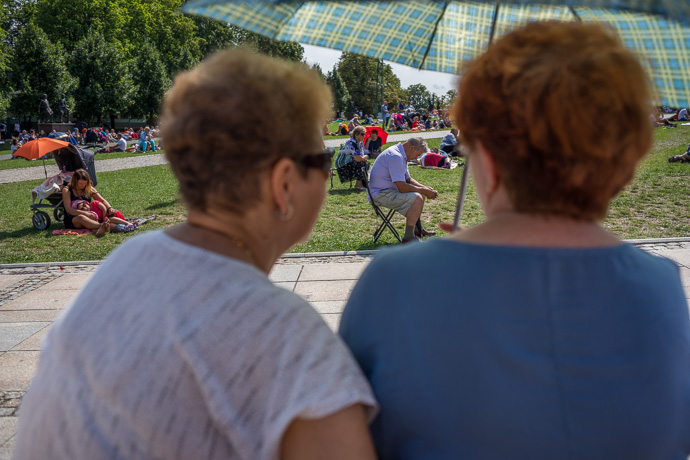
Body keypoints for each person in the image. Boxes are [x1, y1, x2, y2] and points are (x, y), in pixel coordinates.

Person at [340, 21, 690, 459]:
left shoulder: (393, 280)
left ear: (487, 154)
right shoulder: (660, 287)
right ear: (623, 163)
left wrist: (455, 264)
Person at [13, 48, 377, 460]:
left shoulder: (128, 261)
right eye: (323, 160)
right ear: (283, 181)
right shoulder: (285, 335)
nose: (329, 175)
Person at [367, 137, 438, 243]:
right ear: (412, 148)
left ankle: (417, 230)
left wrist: (425, 188)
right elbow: (402, 187)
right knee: (417, 197)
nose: (416, 158)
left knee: (420, 194)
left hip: (386, 191)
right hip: (380, 194)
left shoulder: (400, 153)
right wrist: (423, 190)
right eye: (417, 155)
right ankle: (408, 238)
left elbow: (408, 179)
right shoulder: (395, 156)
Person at [60, 168, 125, 237]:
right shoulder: (67, 190)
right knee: (81, 218)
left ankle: (121, 226)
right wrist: (85, 213)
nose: (83, 185)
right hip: (74, 219)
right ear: (75, 181)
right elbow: (68, 209)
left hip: (90, 216)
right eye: (80, 183)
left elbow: (102, 200)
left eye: (85, 183)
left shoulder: (89, 188)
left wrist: (109, 208)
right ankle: (102, 226)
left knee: (107, 215)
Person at [335, 125, 369, 190]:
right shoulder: (351, 143)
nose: (364, 136)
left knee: (366, 163)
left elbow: (360, 156)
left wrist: (364, 157)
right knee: (361, 164)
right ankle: (358, 185)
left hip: (350, 162)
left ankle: (364, 184)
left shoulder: (360, 143)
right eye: (362, 134)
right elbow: (358, 159)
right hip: (342, 165)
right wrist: (364, 157)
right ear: (356, 135)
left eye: (364, 134)